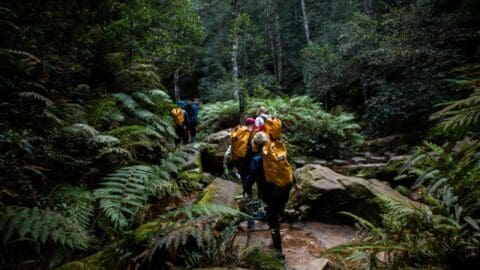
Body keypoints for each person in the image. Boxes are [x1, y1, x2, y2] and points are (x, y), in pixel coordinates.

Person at [244, 131, 296, 257]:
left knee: (273, 221)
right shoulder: (276, 153)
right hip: (284, 189)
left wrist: (245, 191)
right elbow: (288, 168)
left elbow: (250, 179)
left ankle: (278, 251)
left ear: (255, 145)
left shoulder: (256, 160)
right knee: (276, 214)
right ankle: (275, 228)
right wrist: (295, 183)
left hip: (269, 193)